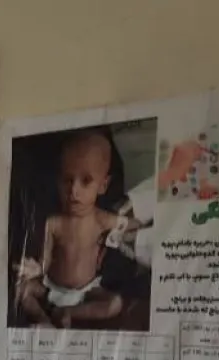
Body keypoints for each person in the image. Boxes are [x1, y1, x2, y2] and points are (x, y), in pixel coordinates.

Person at [17, 131, 141, 328]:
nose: (74, 191)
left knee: (114, 304)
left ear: (103, 185)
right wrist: (36, 269)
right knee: (23, 290)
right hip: (52, 288)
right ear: (57, 181)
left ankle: (67, 312)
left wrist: (131, 227)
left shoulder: (101, 219)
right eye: (67, 180)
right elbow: (46, 259)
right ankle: (43, 320)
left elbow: (130, 224)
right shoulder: (54, 222)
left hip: (86, 291)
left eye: (86, 181)